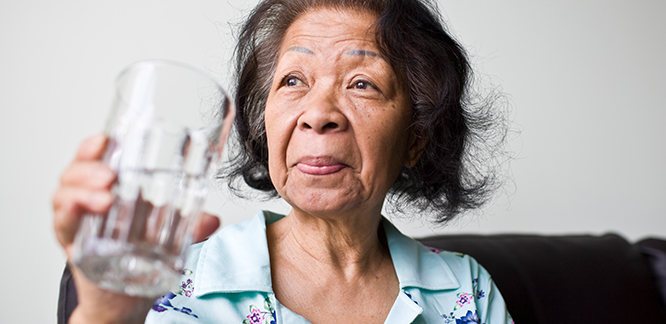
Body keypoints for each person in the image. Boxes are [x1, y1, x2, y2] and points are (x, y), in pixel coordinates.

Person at [53, 0, 513, 323]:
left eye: (361, 84)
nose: (318, 114)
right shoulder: (167, 282)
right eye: (293, 80)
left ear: (416, 138)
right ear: (265, 123)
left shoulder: (466, 290)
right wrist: (104, 318)